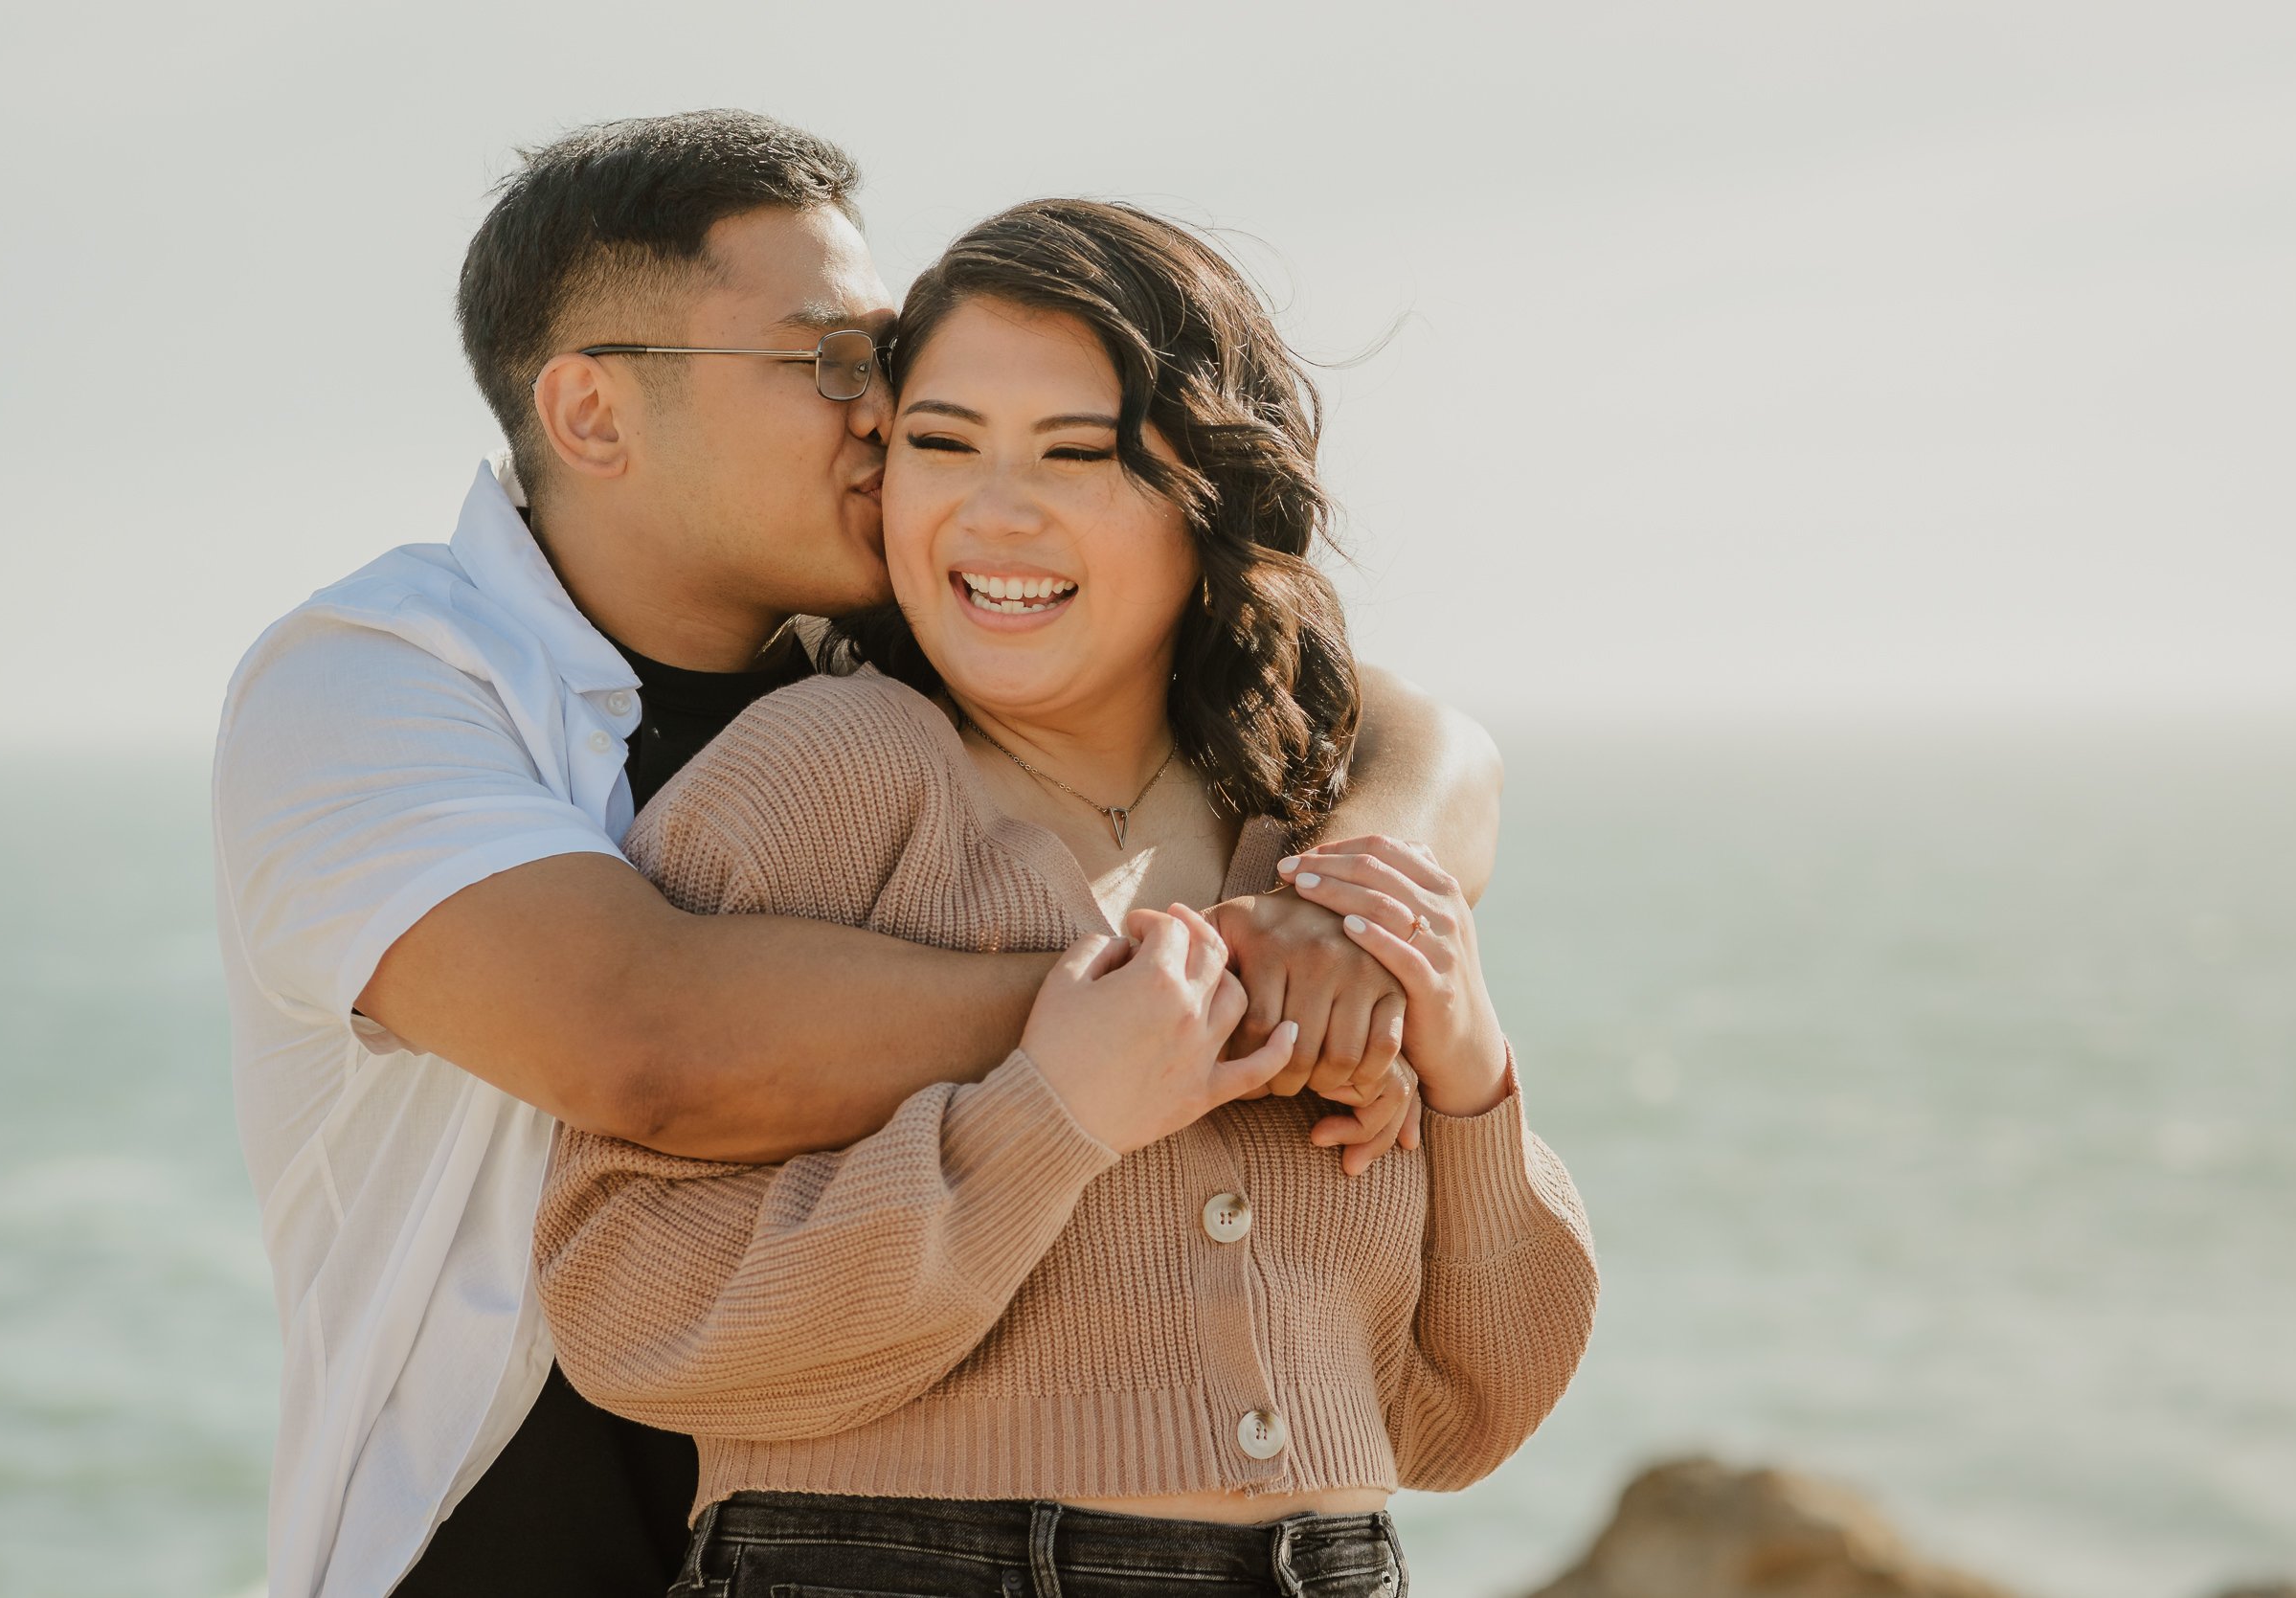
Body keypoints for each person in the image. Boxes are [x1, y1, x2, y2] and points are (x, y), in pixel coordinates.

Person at [210, 113, 1504, 1598]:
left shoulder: (888, 654)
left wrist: (1346, 898)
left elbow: (1408, 730)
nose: (885, 412)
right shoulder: (376, 682)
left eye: (888, 360)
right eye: (828, 360)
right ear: (589, 414)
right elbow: (649, 1041)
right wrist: (1203, 1000)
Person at [533, 198, 1596, 1598]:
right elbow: (627, 1306)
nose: (995, 508)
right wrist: (1049, 1117)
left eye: (1077, 455)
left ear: (1209, 493)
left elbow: (1467, 1408)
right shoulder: (819, 776)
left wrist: (1464, 1079)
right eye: (942, 444)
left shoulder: (1311, 840)